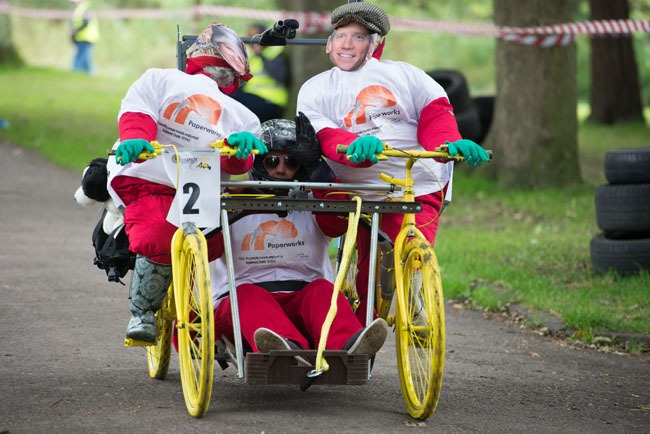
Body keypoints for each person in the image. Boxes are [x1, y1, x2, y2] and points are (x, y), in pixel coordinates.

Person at [296, 2, 490, 321]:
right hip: (358, 190)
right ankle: (365, 324)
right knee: (372, 267)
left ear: (376, 43)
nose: (347, 43)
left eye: (358, 36)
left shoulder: (408, 75)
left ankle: (410, 285)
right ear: (330, 43)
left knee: (407, 244)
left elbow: (435, 113)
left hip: (418, 182)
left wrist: (451, 143)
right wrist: (354, 146)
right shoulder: (315, 88)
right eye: (341, 35)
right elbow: (324, 135)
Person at [106, 22, 268, 344]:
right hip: (151, 179)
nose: (217, 74)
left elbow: (237, 162)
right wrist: (137, 140)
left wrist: (240, 147)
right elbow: (138, 114)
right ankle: (143, 312)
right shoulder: (162, 79)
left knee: (212, 241)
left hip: (200, 188)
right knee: (157, 230)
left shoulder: (241, 115)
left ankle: (196, 319)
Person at [210, 114, 388, 361]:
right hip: (244, 305)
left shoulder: (315, 202)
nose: (281, 169)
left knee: (323, 290)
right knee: (247, 295)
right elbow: (208, 250)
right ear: (258, 163)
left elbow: (337, 225)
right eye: (272, 161)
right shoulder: (228, 203)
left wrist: (317, 169)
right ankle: (284, 347)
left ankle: (347, 345)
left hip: (305, 298)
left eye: (291, 162)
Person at [232, 23, 290, 122]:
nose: (253, 42)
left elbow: (280, 77)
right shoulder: (253, 57)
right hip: (255, 97)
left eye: (256, 37)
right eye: (250, 37)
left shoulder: (274, 53)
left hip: (271, 101)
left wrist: (261, 54)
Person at [69, 0, 100, 74]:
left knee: (80, 56)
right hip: (83, 37)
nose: (73, 3)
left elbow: (86, 22)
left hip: (86, 37)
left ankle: (74, 71)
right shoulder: (79, 10)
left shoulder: (84, 9)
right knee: (85, 58)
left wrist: (77, 30)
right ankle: (90, 74)